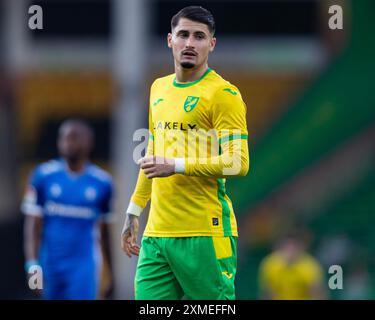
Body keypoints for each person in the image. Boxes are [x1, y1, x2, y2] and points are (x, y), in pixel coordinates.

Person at [121, 6, 249, 300]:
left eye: (199, 36)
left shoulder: (223, 95)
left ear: (211, 44)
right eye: (183, 35)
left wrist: (177, 165)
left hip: (204, 233)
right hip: (157, 236)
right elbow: (154, 151)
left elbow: (238, 163)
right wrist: (134, 209)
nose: (190, 43)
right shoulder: (159, 88)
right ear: (170, 40)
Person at [22, 119, 114, 300]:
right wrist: (32, 265)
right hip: (50, 264)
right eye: (63, 138)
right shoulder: (43, 176)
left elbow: (105, 233)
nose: (67, 143)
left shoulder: (102, 183)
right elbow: (33, 226)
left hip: (84, 266)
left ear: (88, 142)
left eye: (73, 138)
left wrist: (111, 274)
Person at [258, 231, 326, 300]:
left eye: (293, 247)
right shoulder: (270, 264)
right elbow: (267, 293)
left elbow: (318, 294)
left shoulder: (310, 267)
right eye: (287, 247)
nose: (290, 251)